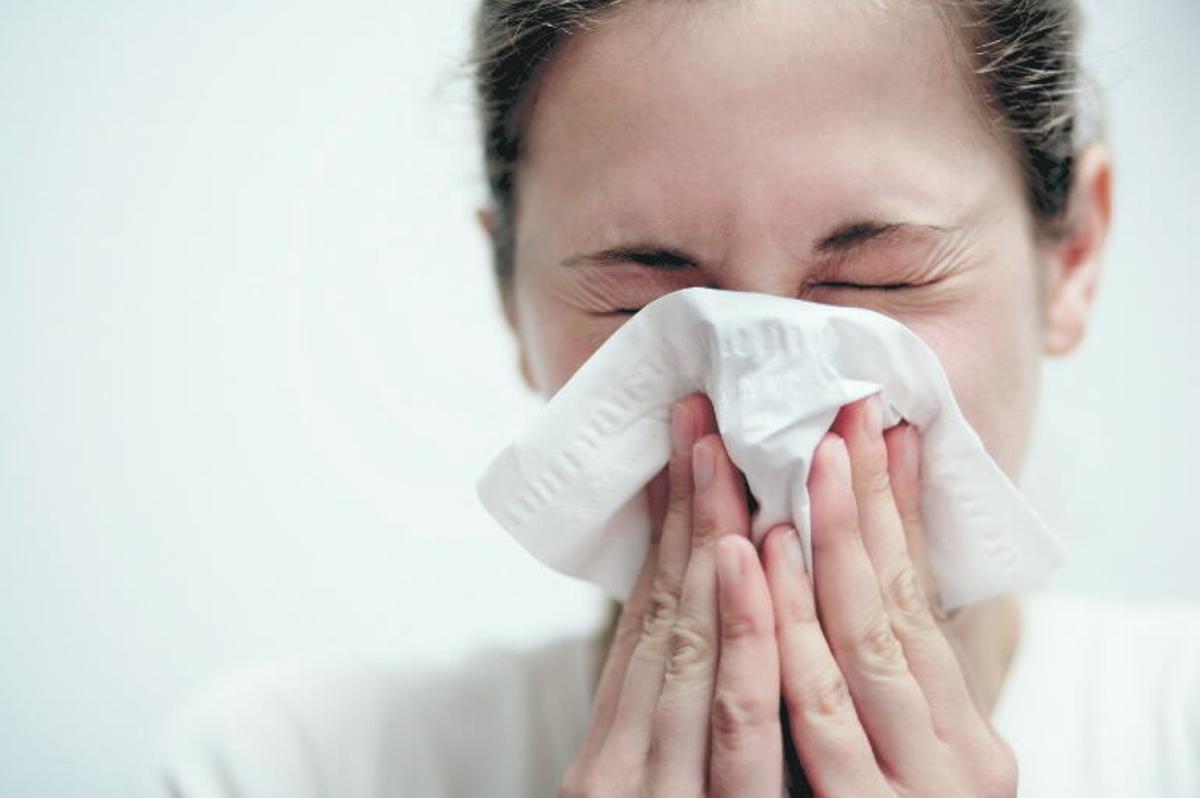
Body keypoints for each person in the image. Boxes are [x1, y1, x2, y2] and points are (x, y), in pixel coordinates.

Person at [160, 0, 1200, 795]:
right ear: (509, 293)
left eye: (875, 282)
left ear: (1075, 257)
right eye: (642, 303)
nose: (761, 428)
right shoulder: (291, 766)